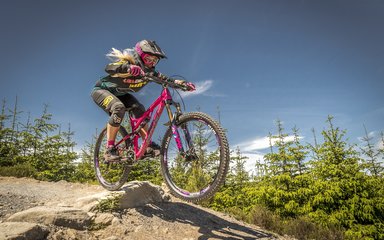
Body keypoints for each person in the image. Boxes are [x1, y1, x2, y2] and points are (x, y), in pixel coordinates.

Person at [91, 40, 195, 161]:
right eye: (148, 59)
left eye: (154, 60)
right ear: (140, 55)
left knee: (140, 110)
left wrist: (183, 84)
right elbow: (109, 68)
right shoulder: (129, 63)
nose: (151, 63)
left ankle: (147, 145)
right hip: (101, 90)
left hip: (122, 94)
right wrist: (128, 68)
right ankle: (109, 149)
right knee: (118, 108)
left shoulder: (150, 72)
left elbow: (168, 80)